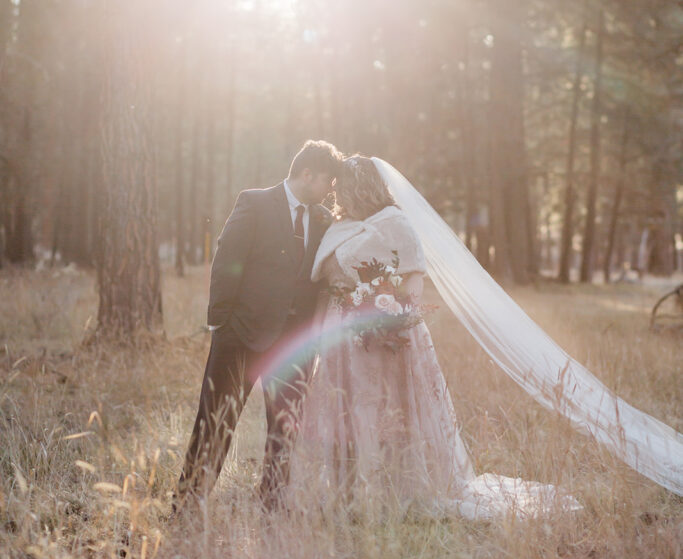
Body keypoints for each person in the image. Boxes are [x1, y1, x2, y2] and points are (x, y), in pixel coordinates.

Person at [288, 156, 683, 518]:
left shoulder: (395, 221)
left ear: (362, 186)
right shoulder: (338, 227)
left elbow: (413, 283)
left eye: (343, 186)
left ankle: (392, 489)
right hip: (340, 337)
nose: (336, 193)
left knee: (386, 409)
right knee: (348, 408)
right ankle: (349, 488)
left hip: (384, 335)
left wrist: (385, 312)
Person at [175, 139, 342, 511]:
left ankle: (273, 499)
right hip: (242, 335)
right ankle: (189, 501)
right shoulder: (255, 202)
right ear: (307, 173)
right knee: (217, 419)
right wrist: (222, 324)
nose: (331, 192)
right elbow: (227, 260)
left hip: (295, 344)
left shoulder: (323, 220)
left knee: (286, 425)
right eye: (327, 183)